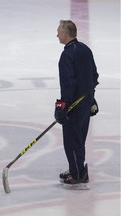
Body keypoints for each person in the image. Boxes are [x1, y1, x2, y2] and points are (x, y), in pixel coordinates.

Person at [55, 20, 99, 185]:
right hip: (85, 105)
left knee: (72, 142)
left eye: (58, 32)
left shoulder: (67, 54)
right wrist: (91, 98)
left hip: (74, 107)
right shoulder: (85, 50)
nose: (57, 35)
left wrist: (62, 105)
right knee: (79, 140)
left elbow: (68, 83)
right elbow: (94, 77)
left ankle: (78, 174)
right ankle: (77, 168)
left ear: (65, 35)